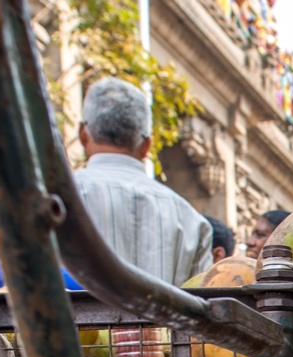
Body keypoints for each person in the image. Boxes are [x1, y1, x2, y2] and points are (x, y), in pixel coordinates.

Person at [74, 78, 211, 287]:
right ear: (146, 145)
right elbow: (205, 303)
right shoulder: (191, 220)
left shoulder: (57, 196)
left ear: (83, 134)